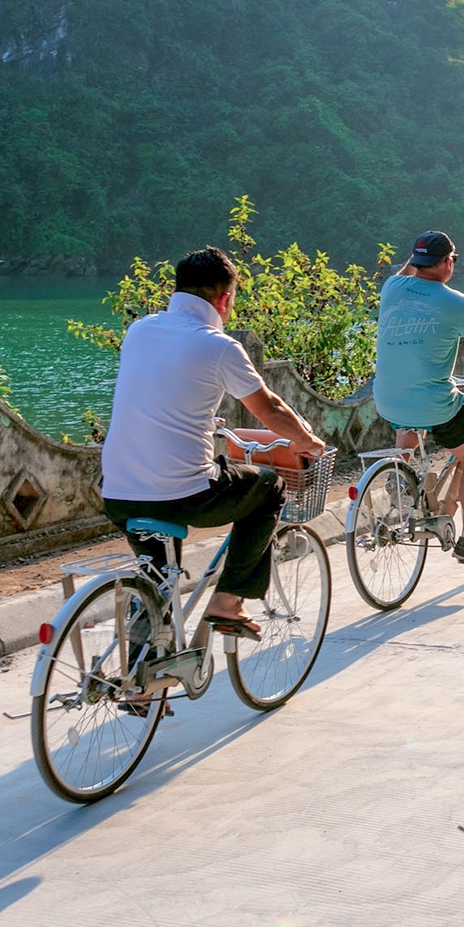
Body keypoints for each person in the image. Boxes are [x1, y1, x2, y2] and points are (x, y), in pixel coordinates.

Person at [100, 246, 327, 636]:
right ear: (225, 299)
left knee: (158, 581)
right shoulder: (218, 345)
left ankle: (143, 687)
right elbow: (269, 410)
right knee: (269, 487)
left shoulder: (139, 331)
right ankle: (227, 602)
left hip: (118, 494)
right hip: (182, 493)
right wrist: (308, 441)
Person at [373, 230, 464, 563]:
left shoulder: (392, 288)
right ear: (447, 262)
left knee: (409, 420)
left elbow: (404, 273)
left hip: (386, 397)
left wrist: (415, 260)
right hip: (432, 402)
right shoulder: (456, 302)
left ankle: (402, 477)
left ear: (414, 261)